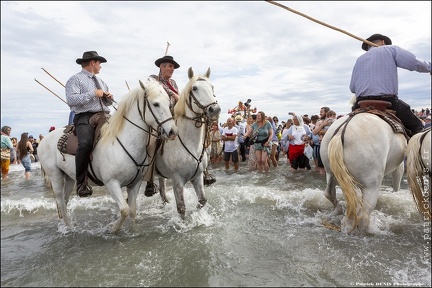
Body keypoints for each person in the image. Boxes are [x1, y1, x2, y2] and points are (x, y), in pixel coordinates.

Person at [350, 33, 431, 137]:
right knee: (417, 126)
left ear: (368, 47)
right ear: (383, 42)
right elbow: (413, 63)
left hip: (361, 103)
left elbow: (352, 88)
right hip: (387, 101)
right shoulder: (391, 50)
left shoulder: (359, 60)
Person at [65, 51, 114, 197]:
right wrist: (93, 93)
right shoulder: (75, 80)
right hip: (85, 117)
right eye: (99, 63)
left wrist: (109, 98)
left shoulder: (102, 82)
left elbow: (107, 103)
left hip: (104, 115)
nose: (100, 66)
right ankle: (81, 183)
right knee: (85, 143)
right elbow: (71, 100)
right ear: (92, 62)